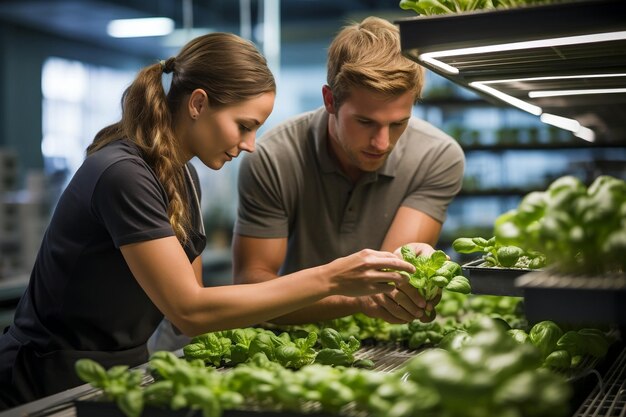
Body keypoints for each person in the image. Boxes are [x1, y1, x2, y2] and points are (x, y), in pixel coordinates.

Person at [0, 32, 418, 409]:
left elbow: (203, 305)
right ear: (198, 103)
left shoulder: (182, 175)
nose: (251, 145)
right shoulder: (123, 173)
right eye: (244, 126)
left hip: (121, 372)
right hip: (47, 382)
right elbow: (190, 311)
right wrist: (332, 277)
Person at [233, 16, 465, 325]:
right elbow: (251, 287)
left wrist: (419, 279)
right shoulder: (273, 157)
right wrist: (354, 298)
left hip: (375, 337)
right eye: (365, 122)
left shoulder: (437, 155)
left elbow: (391, 282)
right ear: (330, 100)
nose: (382, 143)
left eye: (398, 123)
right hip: (291, 332)